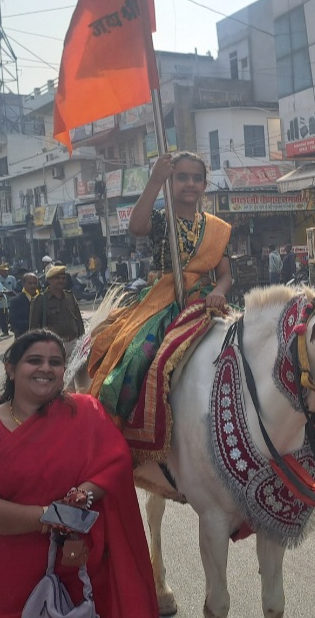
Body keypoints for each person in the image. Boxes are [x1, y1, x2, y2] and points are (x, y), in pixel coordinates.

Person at [0, 330, 159, 618]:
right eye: (34, 360)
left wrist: (82, 494)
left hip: (76, 568)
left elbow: (115, 462)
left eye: (55, 362)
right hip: (5, 574)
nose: (46, 368)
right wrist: (49, 516)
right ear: (11, 369)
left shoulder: (85, 412)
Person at [85, 151, 232, 498]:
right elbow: (136, 227)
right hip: (163, 299)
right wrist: (154, 180)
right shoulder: (161, 219)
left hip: (204, 299)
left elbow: (225, 275)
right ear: (171, 182)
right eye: (181, 177)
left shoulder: (217, 228)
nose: (190, 184)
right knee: (136, 356)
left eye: (196, 178)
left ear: (205, 184)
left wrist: (219, 292)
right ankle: (117, 437)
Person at [29, 266, 84, 360]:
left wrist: (82, 340)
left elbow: (79, 321)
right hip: (53, 345)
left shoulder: (70, 297)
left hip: (74, 343)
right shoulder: (41, 300)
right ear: (49, 280)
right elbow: (33, 327)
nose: (61, 281)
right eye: (57, 278)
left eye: (63, 278)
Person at [10, 272, 39, 338]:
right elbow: (13, 320)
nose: (33, 286)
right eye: (30, 283)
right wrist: (31, 325)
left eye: (35, 283)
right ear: (23, 284)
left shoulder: (42, 298)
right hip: (24, 336)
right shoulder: (16, 301)